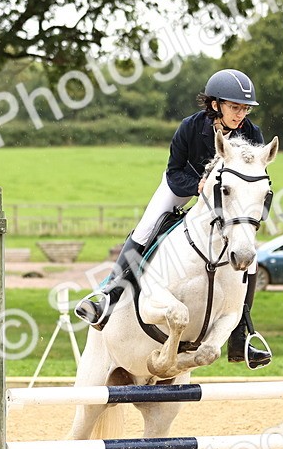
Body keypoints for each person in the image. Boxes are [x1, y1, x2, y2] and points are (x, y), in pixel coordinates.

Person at [73, 68, 271, 368]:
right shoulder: (190, 128)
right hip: (184, 186)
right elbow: (175, 171)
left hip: (227, 197)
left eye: (244, 108)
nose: (240, 114)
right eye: (234, 107)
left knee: (250, 257)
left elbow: (255, 175)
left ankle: (242, 334)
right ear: (215, 104)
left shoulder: (252, 134)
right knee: (147, 227)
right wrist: (198, 186)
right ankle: (108, 296)